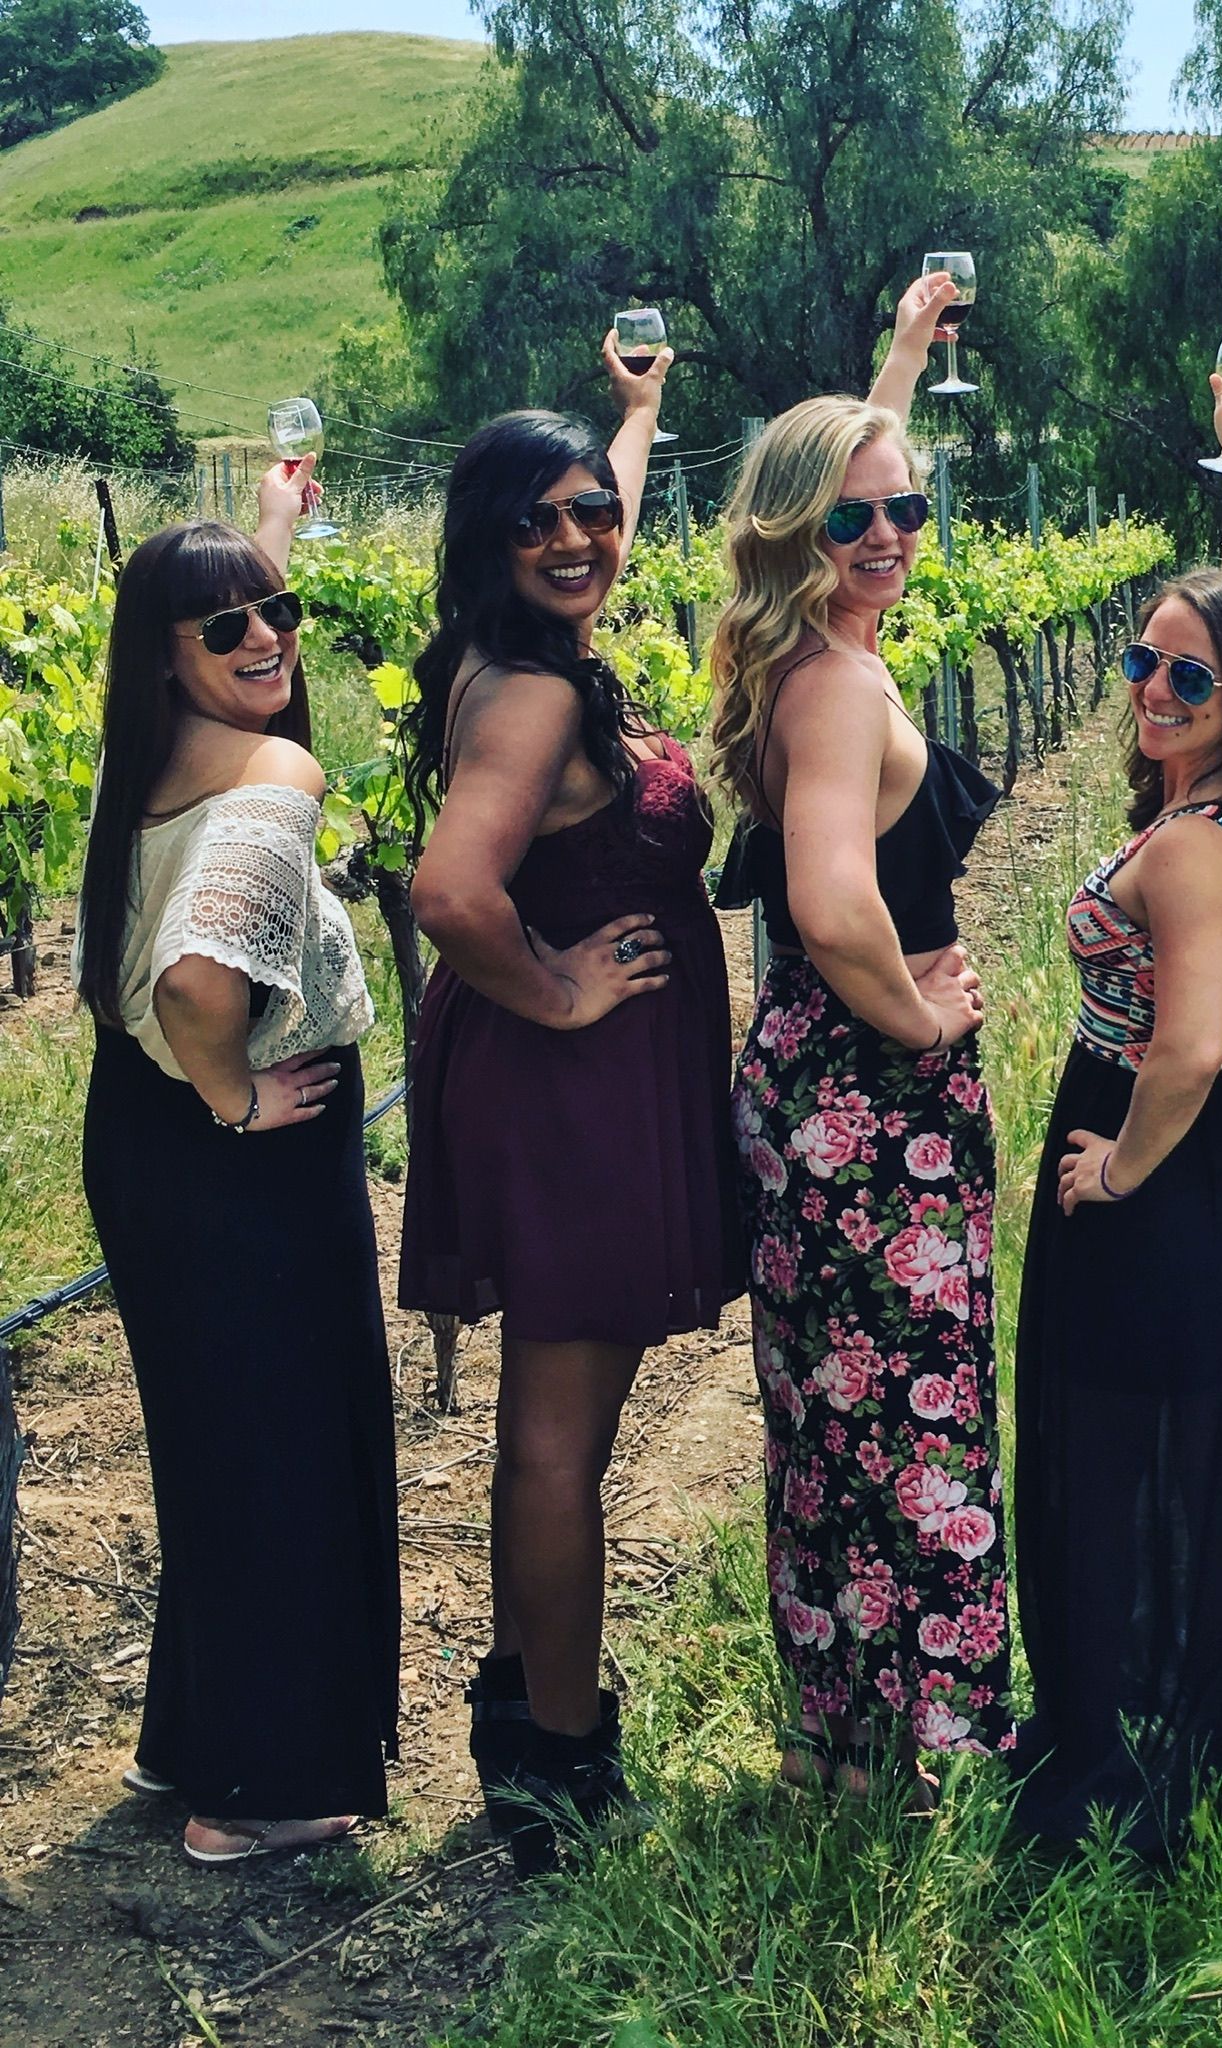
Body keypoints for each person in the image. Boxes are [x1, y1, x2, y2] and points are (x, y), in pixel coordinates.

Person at [396, 337, 743, 1874]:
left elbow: (588, 527)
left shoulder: (506, 655)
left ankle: (529, 1717)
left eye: (595, 512)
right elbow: (449, 889)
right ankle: (559, 1761)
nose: (578, 539)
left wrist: (638, 423)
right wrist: (563, 991)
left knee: (553, 1429)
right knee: (558, 1444)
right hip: (568, 1087)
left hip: (555, 1084)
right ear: (489, 539)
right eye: (539, 520)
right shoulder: (532, 694)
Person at [1007, 358, 1222, 1858]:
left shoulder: (1199, 845)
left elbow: (1188, 1048)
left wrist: (1119, 1172)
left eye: (1184, 678)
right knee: (1200, 1432)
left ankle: (1112, 1725)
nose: (1150, 689)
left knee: (1109, 1422)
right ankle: (1178, 1690)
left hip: (1177, 1146)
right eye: (1144, 661)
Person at [708, 273, 1009, 1804]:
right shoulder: (835, 684)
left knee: (835, 1417)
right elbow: (833, 904)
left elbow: (855, 454)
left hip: (815, 1097)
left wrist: (897, 349)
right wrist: (920, 1020)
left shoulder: (796, 656)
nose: (887, 538)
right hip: (861, 1105)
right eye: (851, 522)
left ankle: (847, 1737)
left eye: (905, 513)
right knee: (914, 1410)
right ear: (791, 536)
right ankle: (937, 1748)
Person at [72, 466, 401, 1866]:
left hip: (144, 1144)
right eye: (233, 630)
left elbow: (208, 627)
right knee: (284, 1452)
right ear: (170, 656)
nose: (270, 638)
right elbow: (207, 986)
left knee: (216, 1447)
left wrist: (257, 536)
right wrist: (233, 1093)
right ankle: (256, 1793)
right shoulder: (272, 773)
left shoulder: (152, 756)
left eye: (282, 612)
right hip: (240, 1154)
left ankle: (190, 1741)